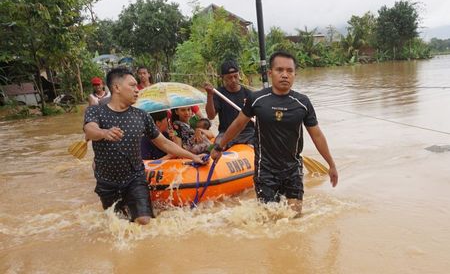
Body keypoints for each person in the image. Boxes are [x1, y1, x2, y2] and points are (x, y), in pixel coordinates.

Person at [210, 51, 338, 216]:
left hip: (293, 169)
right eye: (279, 70)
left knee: (295, 217)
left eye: (289, 71)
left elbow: (317, 135)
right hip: (265, 169)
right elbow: (238, 124)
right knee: (270, 220)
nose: (285, 75)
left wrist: (331, 164)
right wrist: (219, 146)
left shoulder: (303, 102)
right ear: (270, 73)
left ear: (295, 74)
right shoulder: (257, 99)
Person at [84, 67, 206, 225]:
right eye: (133, 86)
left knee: (144, 221)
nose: (137, 90)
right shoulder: (95, 111)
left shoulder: (142, 116)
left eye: (137, 86)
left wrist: (194, 156)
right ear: (116, 87)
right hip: (106, 182)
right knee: (117, 225)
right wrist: (104, 133)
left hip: (135, 178)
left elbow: (164, 142)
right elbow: (89, 130)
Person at [204, 60, 254, 148]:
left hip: (248, 133)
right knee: (217, 147)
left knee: (261, 144)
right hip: (226, 133)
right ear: (223, 78)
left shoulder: (249, 94)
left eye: (236, 76)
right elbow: (211, 116)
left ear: (239, 75)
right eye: (229, 78)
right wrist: (209, 96)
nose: (233, 80)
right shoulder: (218, 94)